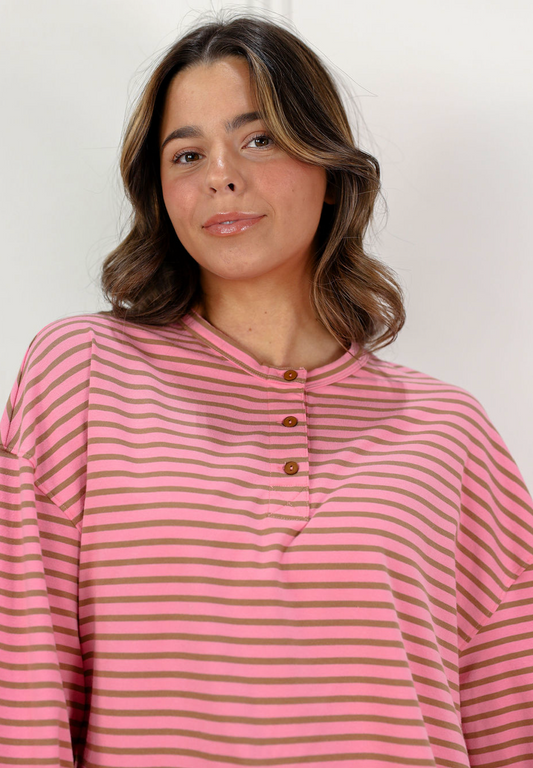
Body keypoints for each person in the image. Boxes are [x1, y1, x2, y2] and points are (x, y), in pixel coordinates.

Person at [1, 12, 532, 768]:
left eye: (259, 140)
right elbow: (21, 693)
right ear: (161, 192)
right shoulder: (81, 373)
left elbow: (510, 725)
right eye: (187, 154)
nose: (220, 175)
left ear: (329, 171)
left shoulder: (448, 431)